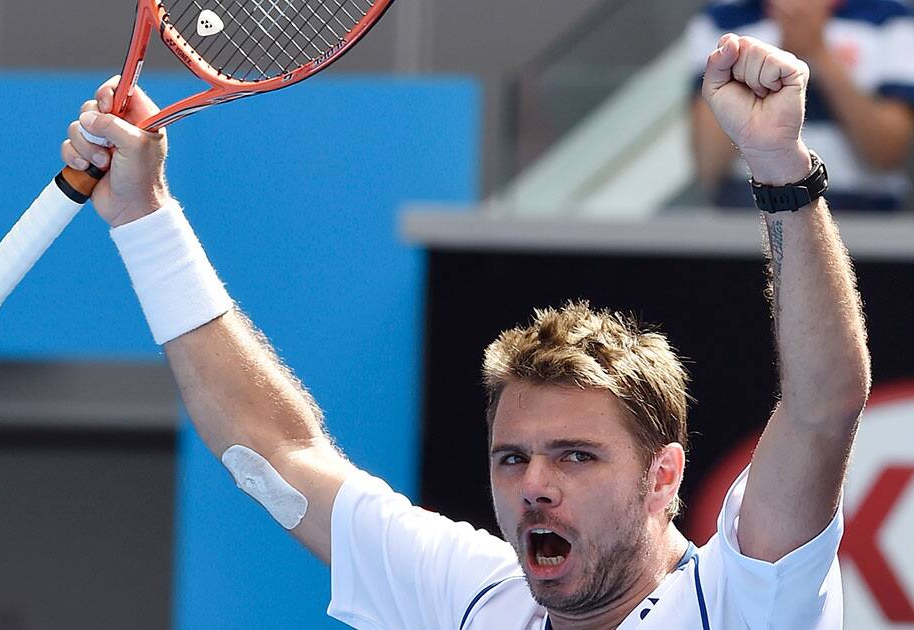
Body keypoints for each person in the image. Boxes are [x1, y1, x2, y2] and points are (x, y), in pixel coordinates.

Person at [63, 35, 869, 628]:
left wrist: (778, 168)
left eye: (576, 456)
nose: (534, 485)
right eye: (512, 457)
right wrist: (143, 215)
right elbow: (272, 452)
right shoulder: (472, 596)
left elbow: (824, 406)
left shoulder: (745, 600)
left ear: (664, 478)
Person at [687, 0, 914, 211]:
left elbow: (889, 154)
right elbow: (708, 166)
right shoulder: (721, 19)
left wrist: (817, 53)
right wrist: (764, 69)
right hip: (749, 216)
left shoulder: (891, 17)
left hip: (863, 219)